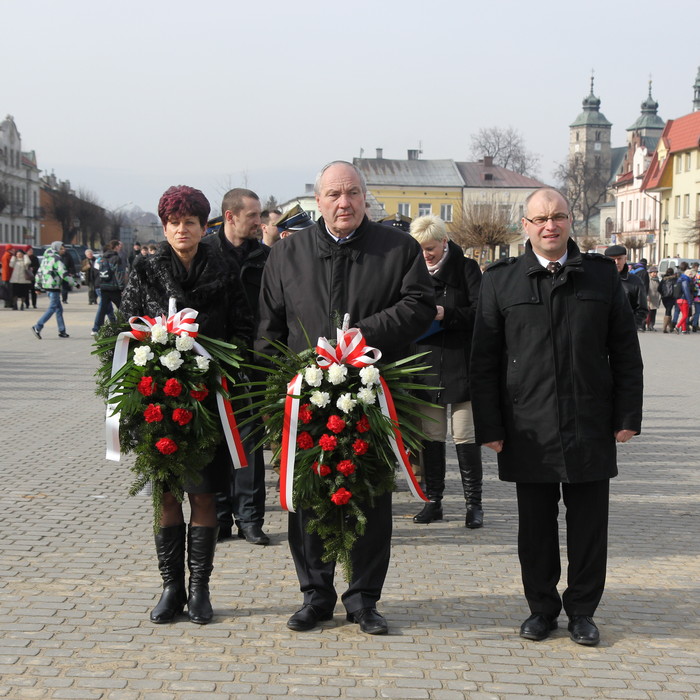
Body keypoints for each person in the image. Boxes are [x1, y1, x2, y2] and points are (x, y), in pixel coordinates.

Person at [257, 160, 435, 634]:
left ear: (365, 198)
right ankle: (315, 596)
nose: (344, 202)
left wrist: (362, 335)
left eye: (352, 192)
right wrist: (273, 396)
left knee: (371, 498)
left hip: (372, 395)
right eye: (334, 193)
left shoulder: (398, 249)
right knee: (311, 496)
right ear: (317, 200)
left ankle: (363, 600)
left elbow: (419, 306)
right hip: (305, 399)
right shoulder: (286, 255)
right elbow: (268, 329)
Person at [471, 187, 643, 647]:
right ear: (525, 226)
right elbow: (483, 360)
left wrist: (628, 415)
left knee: (589, 527)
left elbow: (626, 351)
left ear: (570, 222)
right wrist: (488, 426)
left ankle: (583, 611)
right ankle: (541, 609)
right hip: (529, 426)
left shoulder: (601, 278)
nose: (550, 225)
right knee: (536, 527)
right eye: (540, 218)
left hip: (590, 421)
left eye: (559, 216)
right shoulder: (499, 281)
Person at [120, 185, 253, 625]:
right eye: (174, 223)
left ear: (204, 226)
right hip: (157, 404)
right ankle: (170, 587)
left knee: (203, 493)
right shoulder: (145, 270)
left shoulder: (225, 268)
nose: (182, 229)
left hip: (206, 403)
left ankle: (199, 589)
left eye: (191, 222)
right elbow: (122, 333)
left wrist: (219, 366)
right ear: (164, 227)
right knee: (165, 493)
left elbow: (243, 329)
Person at [408, 214, 484, 528]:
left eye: (431, 248)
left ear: (444, 242)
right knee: (431, 437)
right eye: (421, 249)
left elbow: (481, 311)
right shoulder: (411, 272)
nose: (426, 254)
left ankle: (473, 505)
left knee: (465, 436)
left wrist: (446, 313)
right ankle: (433, 501)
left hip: (461, 365)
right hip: (425, 365)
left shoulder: (466, 269)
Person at [203, 188, 270, 546]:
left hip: (254, 362)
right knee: (214, 443)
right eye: (253, 215)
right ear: (231, 216)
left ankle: (250, 519)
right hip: (213, 361)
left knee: (249, 443)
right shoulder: (205, 254)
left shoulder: (266, 257)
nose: (259, 222)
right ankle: (219, 518)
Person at [31, 241, 76, 339]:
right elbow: (64, 274)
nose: (64, 250)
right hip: (54, 286)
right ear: (56, 249)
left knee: (59, 309)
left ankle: (62, 331)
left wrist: (37, 286)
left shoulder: (45, 259)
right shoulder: (57, 260)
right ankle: (38, 326)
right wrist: (74, 283)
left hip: (47, 286)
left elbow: (39, 273)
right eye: (62, 248)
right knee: (52, 309)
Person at [604, 245, 648, 331]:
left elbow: (642, 309)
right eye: (612, 259)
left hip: (625, 333)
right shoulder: (598, 280)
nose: (616, 262)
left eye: (619, 259)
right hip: (600, 334)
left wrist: (630, 326)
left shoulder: (635, 281)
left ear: (625, 259)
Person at [91, 240, 127, 337]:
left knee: (102, 309)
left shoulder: (101, 258)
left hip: (103, 286)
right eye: (119, 246)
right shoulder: (116, 258)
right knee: (122, 307)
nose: (120, 247)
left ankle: (96, 329)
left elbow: (96, 270)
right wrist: (122, 287)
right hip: (114, 288)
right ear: (115, 247)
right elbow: (119, 273)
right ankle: (125, 326)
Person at [673, 261, 694, 334]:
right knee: (685, 315)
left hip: (679, 300)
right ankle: (677, 326)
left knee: (683, 315)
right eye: (690, 274)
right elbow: (686, 291)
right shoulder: (685, 281)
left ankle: (684, 329)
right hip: (684, 300)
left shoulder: (680, 279)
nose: (691, 275)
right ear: (687, 274)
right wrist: (689, 301)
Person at [658, 267, 677, 333]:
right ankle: (665, 328)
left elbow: (659, 288)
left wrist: (663, 294)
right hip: (671, 297)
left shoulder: (663, 279)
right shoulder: (674, 279)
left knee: (668, 310)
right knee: (668, 311)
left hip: (664, 297)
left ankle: (670, 327)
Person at [646, 266, 661, 331]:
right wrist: (647, 296)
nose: (655, 274)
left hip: (656, 298)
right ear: (650, 273)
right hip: (649, 298)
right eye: (653, 272)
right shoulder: (648, 280)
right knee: (649, 313)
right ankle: (647, 325)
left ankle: (652, 325)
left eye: (656, 272)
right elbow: (646, 289)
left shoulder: (657, 280)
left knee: (654, 313)